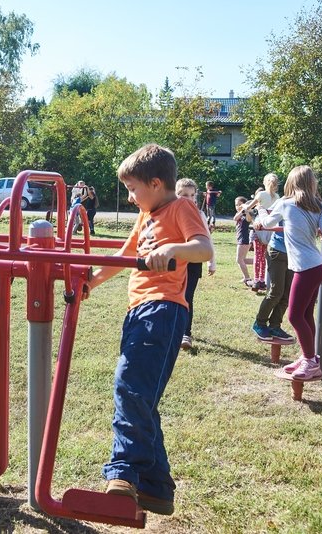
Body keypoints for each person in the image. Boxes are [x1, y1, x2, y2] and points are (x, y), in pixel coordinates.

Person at [85, 144, 213, 515]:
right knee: (142, 397)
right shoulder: (145, 216)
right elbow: (124, 257)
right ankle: (157, 487)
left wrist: (174, 248)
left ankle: (124, 472)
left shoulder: (180, 208)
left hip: (163, 310)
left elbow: (203, 249)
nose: (129, 196)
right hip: (138, 311)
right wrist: (91, 281)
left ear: (156, 183)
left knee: (130, 388)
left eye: (133, 188)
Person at [255, 166, 322, 379]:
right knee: (305, 315)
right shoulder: (318, 206)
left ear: (290, 183)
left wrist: (258, 211)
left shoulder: (284, 204)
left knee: (295, 316)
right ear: (312, 184)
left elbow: (266, 223)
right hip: (318, 266)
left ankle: (310, 361)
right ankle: (309, 358)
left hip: (305, 269)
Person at [175, 178, 216, 350]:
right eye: (184, 195)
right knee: (174, 296)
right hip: (176, 262)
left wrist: (211, 263)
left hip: (193, 262)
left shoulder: (199, 214)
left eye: (192, 195)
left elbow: (208, 239)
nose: (188, 198)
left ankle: (186, 333)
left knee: (187, 297)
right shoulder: (171, 211)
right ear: (176, 195)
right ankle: (173, 329)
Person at [251, 219, 295, 343]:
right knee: (276, 292)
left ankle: (275, 326)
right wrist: (259, 221)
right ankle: (259, 323)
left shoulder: (308, 205)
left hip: (293, 253)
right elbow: (267, 215)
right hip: (278, 251)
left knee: (287, 294)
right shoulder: (284, 203)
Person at [250, 174, 281, 291]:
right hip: (270, 229)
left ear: (265, 182)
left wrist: (245, 207)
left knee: (257, 255)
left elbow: (249, 207)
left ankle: (256, 280)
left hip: (259, 227)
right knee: (266, 256)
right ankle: (263, 280)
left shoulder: (261, 194)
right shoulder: (277, 197)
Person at [233, 196, 253, 285]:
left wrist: (246, 209)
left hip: (245, 238)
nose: (238, 206)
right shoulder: (240, 214)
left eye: (240, 204)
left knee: (239, 259)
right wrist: (242, 210)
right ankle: (261, 262)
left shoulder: (246, 214)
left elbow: (249, 219)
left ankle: (247, 278)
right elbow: (235, 218)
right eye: (236, 205)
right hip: (241, 238)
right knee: (243, 260)